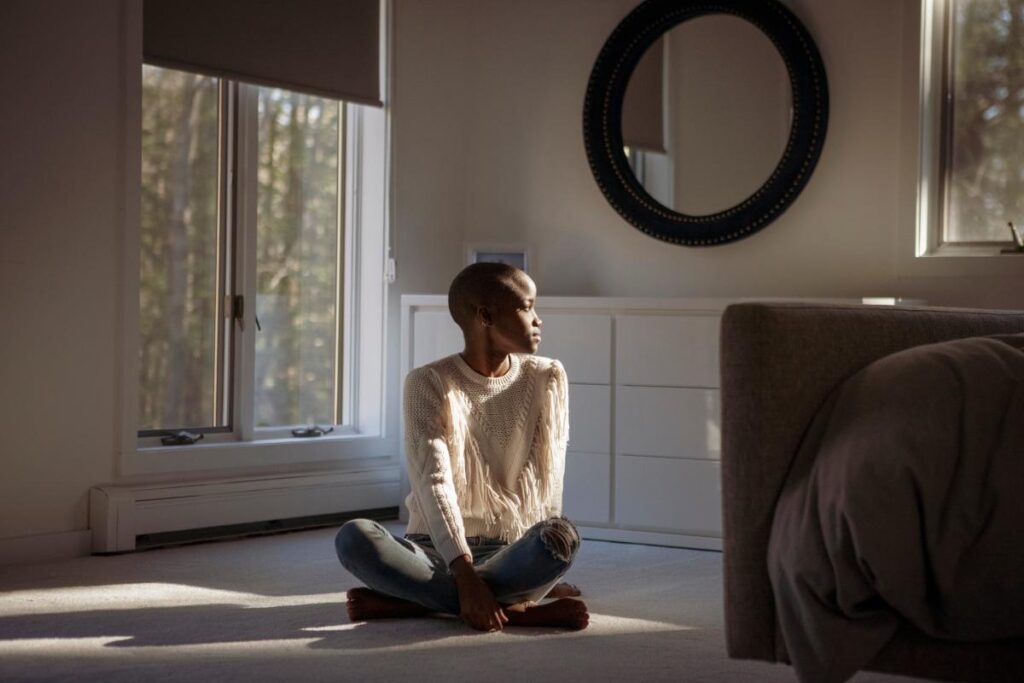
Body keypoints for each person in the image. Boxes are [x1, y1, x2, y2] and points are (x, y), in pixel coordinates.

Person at [335, 262, 588, 631]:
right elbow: (433, 484)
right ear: (485, 316)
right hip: (435, 550)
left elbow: (550, 478)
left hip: (510, 549)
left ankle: (417, 602)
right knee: (353, 538)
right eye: (526, 307)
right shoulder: (428, 382)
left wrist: (541, 567)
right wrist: (465, 574)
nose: (538, 319)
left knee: (562, 537)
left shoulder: (546, 376)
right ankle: (517, 610)